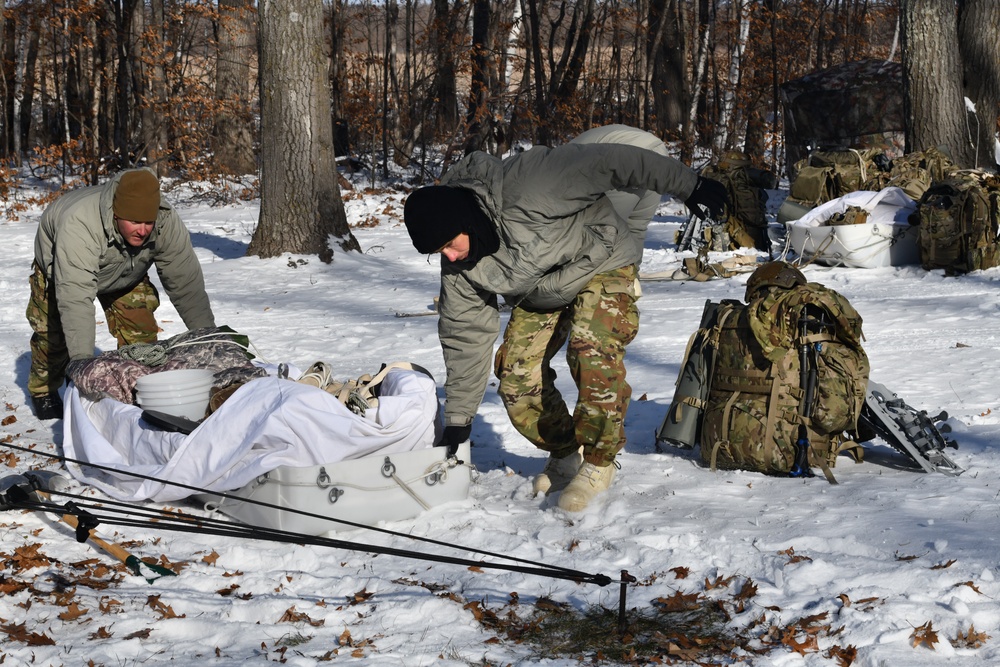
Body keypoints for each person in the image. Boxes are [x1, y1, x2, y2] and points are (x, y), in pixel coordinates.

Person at [403, 125, 727, 511]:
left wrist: (690, 186)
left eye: (449, 244)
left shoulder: (533, 183)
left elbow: (616, 162)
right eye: (440, 252)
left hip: (603, 261)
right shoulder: (460, 264)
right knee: (515, 378)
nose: (450, 257)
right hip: (541, 289)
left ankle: (598, 463)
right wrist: (458, 420)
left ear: (466, 221)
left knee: (590, 350)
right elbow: (465, 333)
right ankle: (564, 452)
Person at [26, 168, 216, 420]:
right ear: (116, 215)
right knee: (54, 336)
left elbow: (185, 283)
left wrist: (209, 339)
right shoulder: (80, 224)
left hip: (127, 271)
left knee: (142, 340)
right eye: (135, 222)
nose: (143, 230)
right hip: (63, 270)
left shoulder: (165, 221)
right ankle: (43, 390)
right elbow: (75, 299)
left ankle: (135, 388)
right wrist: (83, 365)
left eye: (148, 222)